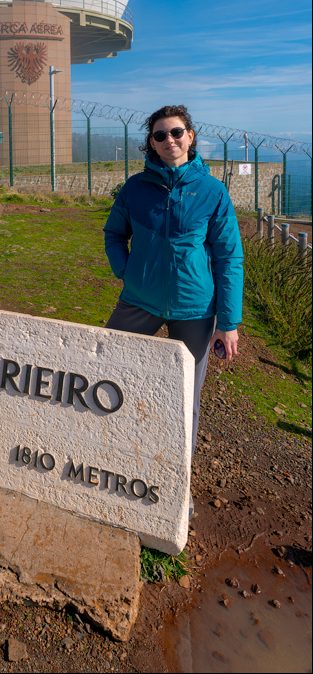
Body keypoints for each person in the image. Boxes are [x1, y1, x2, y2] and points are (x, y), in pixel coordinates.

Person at [103, 105, 243, 516]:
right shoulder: (134, 188)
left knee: (186, 398)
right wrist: (127, 272)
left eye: (176, 132)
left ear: (191, 136)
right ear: (151, 142)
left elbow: (228, 258)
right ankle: (111, 460)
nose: (170, 141)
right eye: (160, 135)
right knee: (110, 368)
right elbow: (114, 234)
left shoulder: (213, 192)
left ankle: (177, 483)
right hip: (139, 301)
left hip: (195, 309)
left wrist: (228, 322)